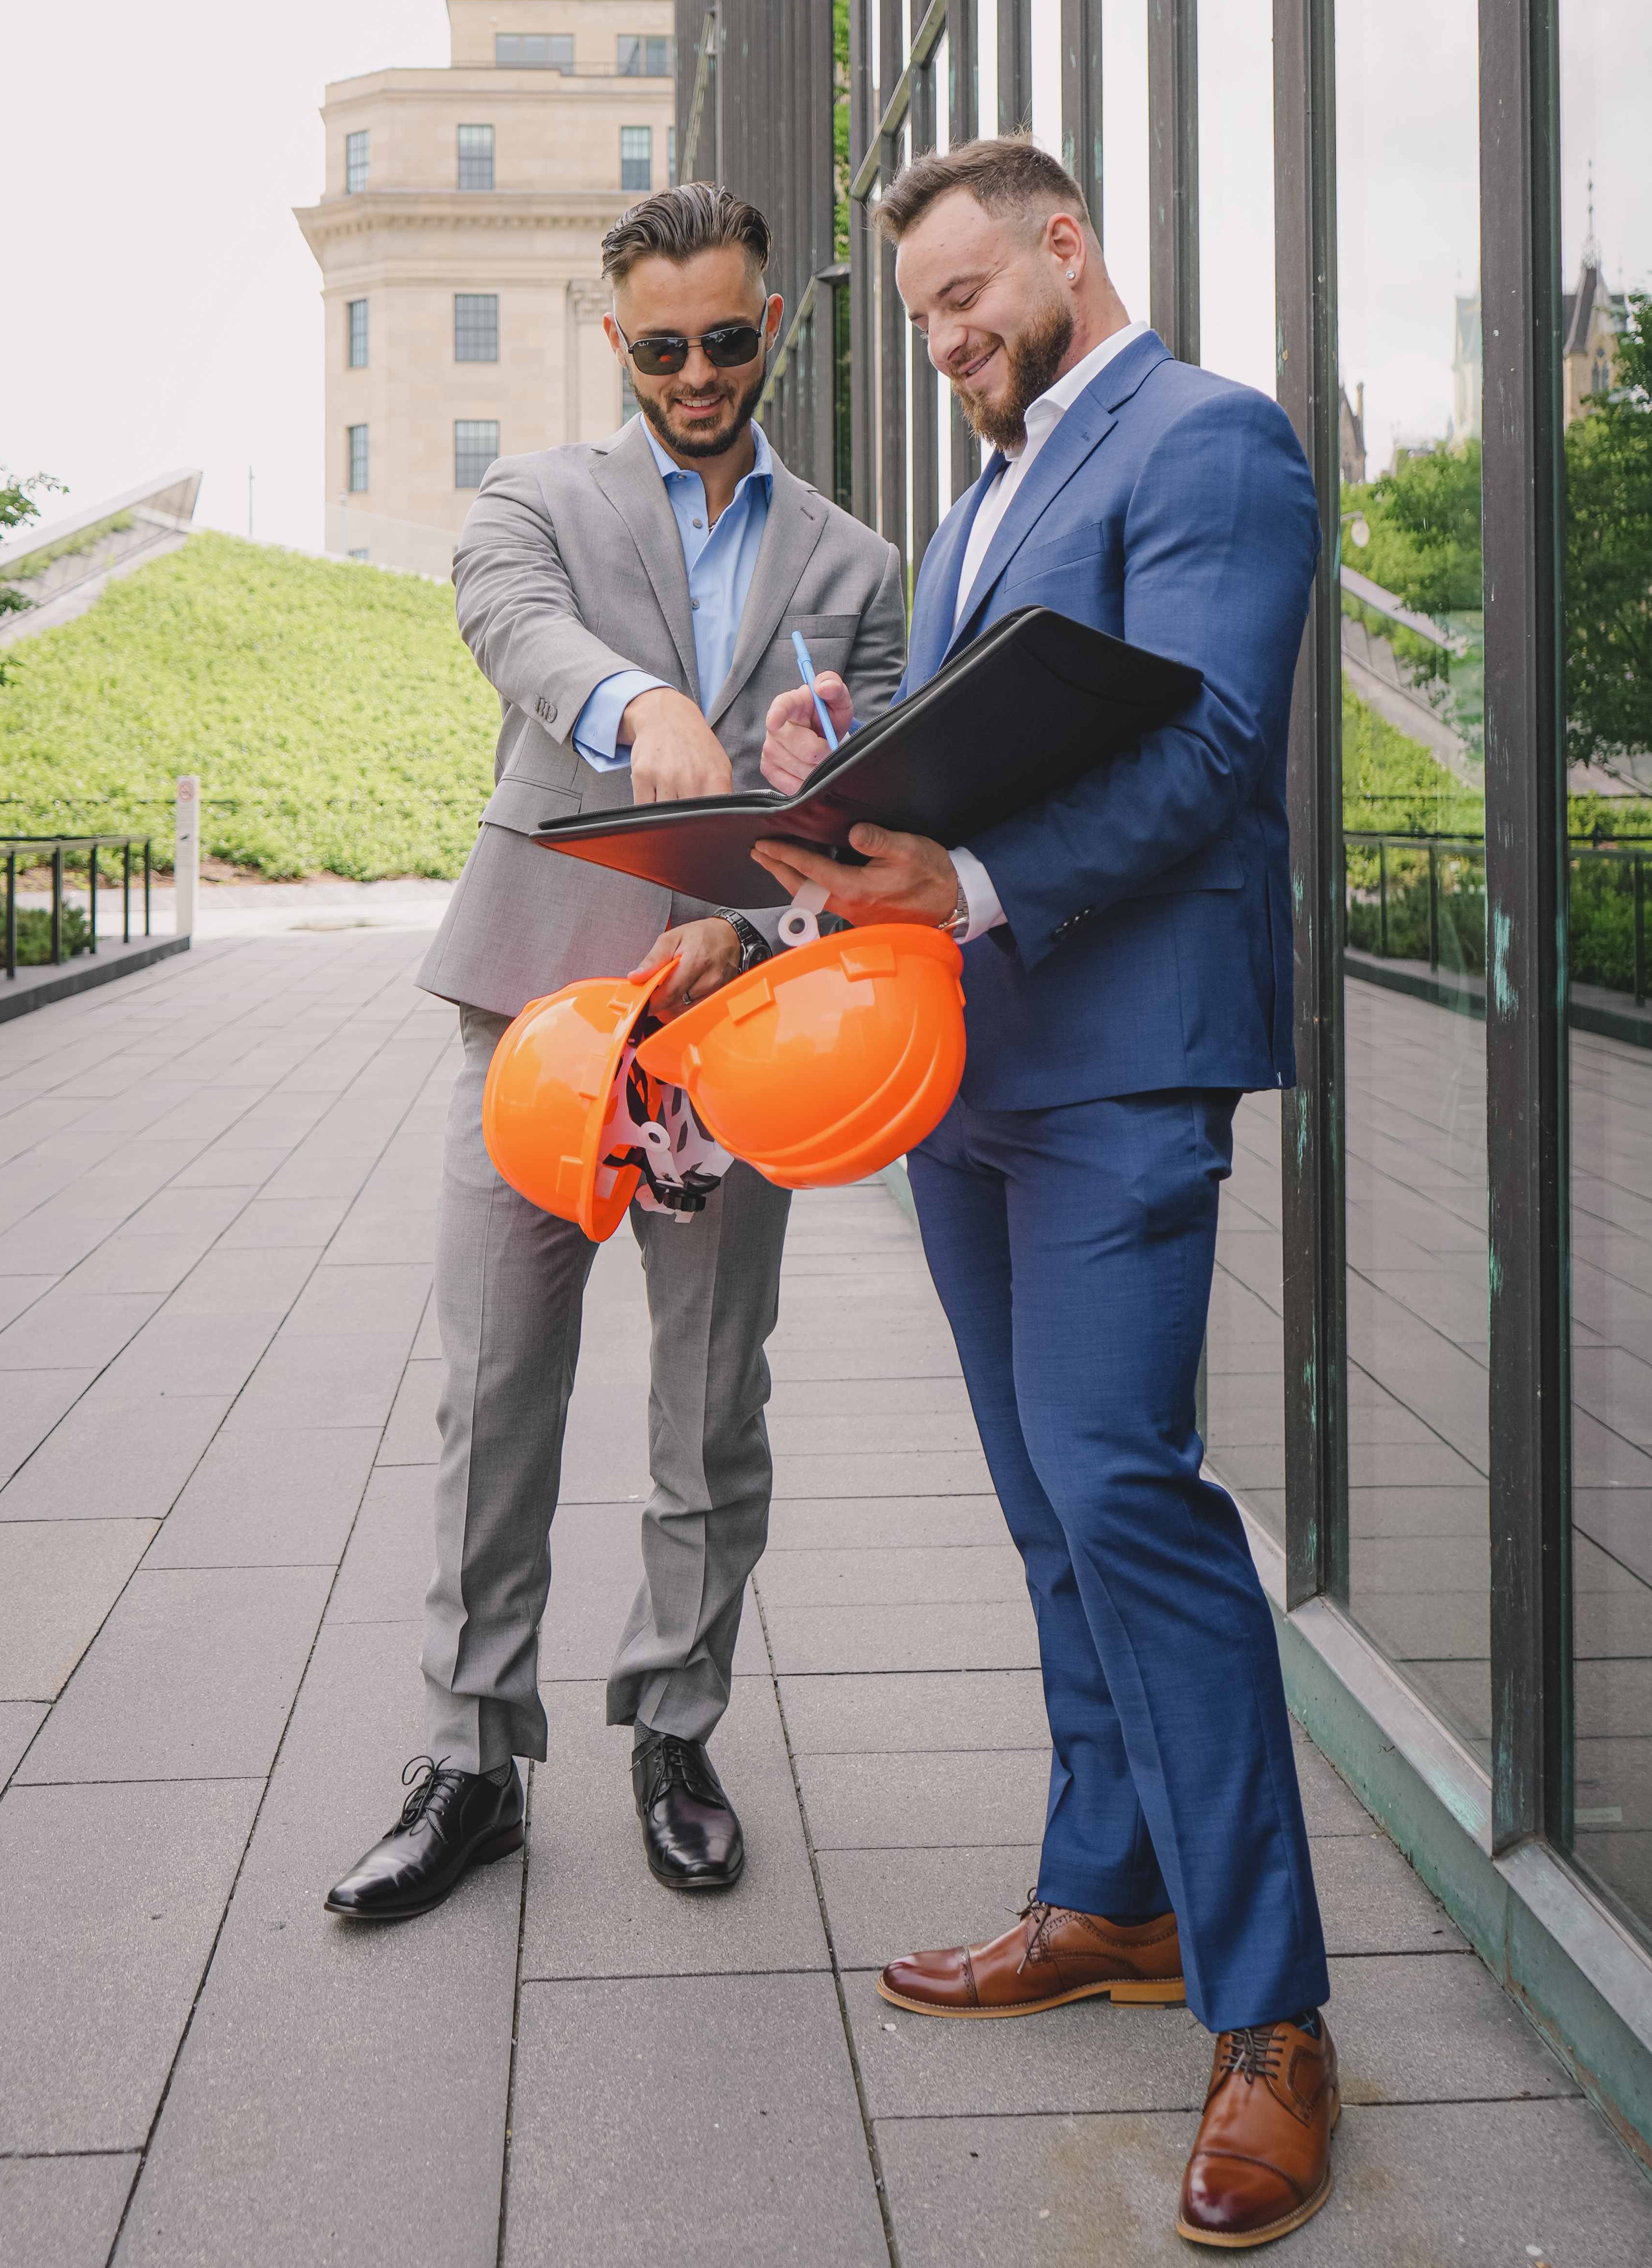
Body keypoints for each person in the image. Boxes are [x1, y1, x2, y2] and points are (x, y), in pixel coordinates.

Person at [755, 136, 1337, 2250]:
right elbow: (978, 730)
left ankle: (1272, 2015)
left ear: (1070, 245)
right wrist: (853, 755)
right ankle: (1111, 1895)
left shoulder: (1214, 442)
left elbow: (1199, 751)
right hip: (971, 1065)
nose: (948, 338)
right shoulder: (980, 497)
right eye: (923, 314)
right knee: (1039, 1500)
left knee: (1125, 1487)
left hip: (1123, 1056)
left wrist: (975, 874)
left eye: (968, 292)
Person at [326, 184, 905, 1924]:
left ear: (772, 331)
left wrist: (771, 896)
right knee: (497, 1386)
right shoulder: (537, 501)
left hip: (739, 1032)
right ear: (618, 346)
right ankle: (469, 1760)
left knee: (713, 1404)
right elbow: (511, 624)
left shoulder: (858, 565)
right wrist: (634, 703)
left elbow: (859, 793)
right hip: (540, 1018)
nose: (700, 373)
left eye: (729, 340)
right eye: (664, 349)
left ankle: (675, 1727)